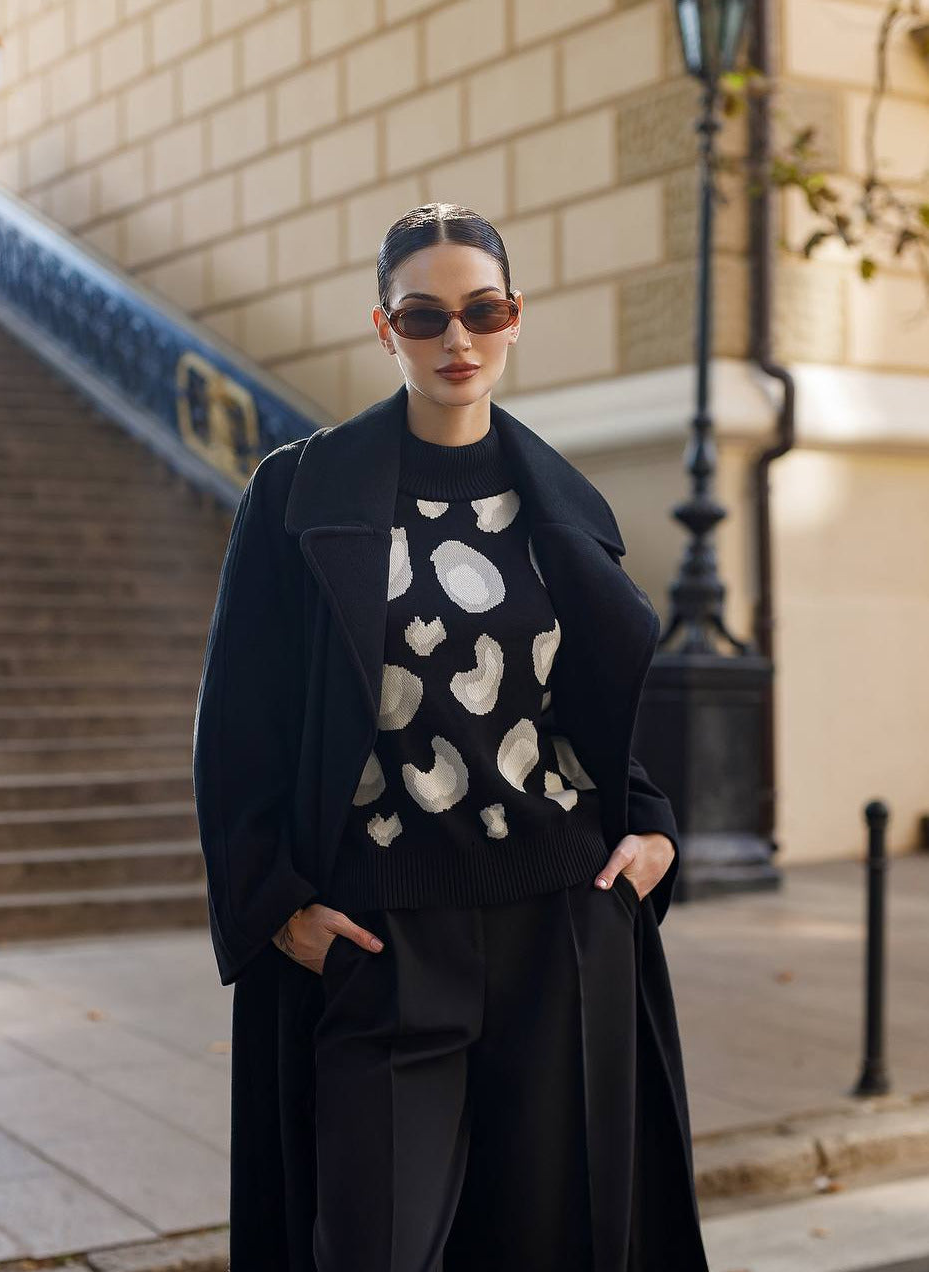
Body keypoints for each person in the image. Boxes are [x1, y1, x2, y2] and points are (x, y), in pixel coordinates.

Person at [193, 202, 710, 1271]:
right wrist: (272, 903)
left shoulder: (561, 500)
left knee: (557, 1243)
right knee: (370, 1246)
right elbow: (238, 721)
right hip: (383, 940)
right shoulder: (298, 493)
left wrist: (653, 833)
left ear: (516, 317)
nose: (456, 340)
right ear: (384, 330)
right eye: (424, 317)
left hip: (559, 928)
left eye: (483, 310)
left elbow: (587, 701)